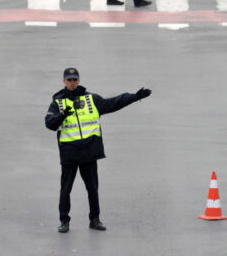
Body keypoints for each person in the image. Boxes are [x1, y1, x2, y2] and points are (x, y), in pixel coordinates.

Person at [44, 67, 151, 233]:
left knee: (92, 188)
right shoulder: (57, 102)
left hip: (88, 152)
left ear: (78, 80)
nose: (72, 83)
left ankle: (95, 219)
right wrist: (63, 114)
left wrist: (134, 97)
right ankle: (64, 221)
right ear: (64, 81)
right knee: (66, 189)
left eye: (75, 80)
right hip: (70, 154)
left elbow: (112, 103)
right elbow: (50, 124)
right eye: (69, 80)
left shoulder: (90, 99)